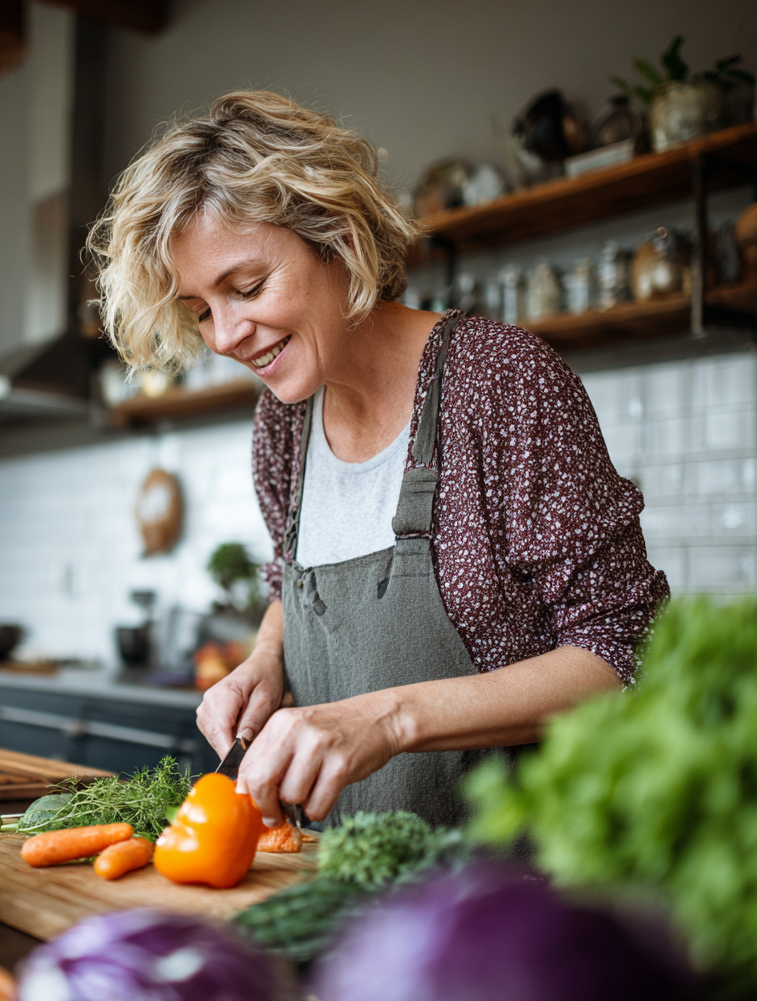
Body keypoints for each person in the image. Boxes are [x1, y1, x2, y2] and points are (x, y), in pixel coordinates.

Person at [87, 91, 669, 829]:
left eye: (247, 287)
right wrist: (268, 659)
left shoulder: (501, 385)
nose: (227, 335)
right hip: (331, 889)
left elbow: (626, 653)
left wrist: (391, 719)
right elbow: (286, 583)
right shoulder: (282, 424)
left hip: (506, 897)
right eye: (202, 310)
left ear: (336, 235)